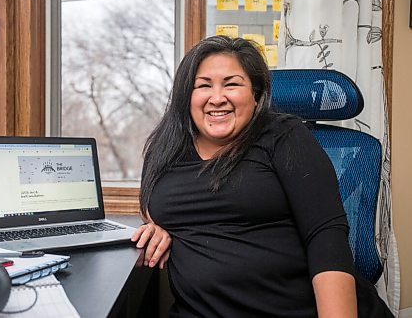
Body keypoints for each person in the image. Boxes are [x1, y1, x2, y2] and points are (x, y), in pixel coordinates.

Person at [131, 36, 393, 317]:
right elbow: (155, 205)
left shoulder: (284, 136)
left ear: (256, 95)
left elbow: (325, 234)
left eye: (231, 84)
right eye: (203, 85)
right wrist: (158, 226)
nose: (217, 98)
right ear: (187, 97)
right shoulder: (165, 149)